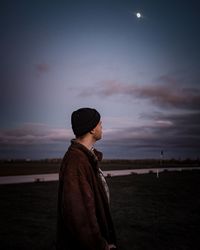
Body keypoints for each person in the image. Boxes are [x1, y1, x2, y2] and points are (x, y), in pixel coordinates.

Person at [56, 107, 117, 250]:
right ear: (91, 129)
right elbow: (79, 215)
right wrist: (101, 246)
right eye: (99, 123)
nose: (102, 126)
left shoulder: (85, 158)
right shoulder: (76, 161)